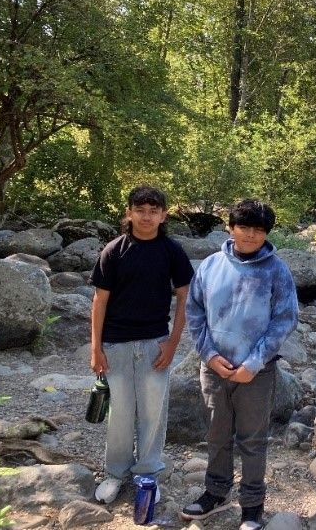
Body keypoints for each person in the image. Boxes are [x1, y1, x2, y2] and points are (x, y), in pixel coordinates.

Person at [182, 199, 298, 530]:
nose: (250, 235)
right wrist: (209, 355)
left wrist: (255, 362)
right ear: (230, 228)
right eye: (243, 227)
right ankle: (215, 492)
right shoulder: (210, 265)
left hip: (256, 372)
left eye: (258, 230)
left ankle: (251, 504)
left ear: (266, 234)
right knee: (217, 434)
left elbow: (285, 319)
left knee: (253, 439)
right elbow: (194, 311)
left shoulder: (277, 270)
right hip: (214, 367)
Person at [90, 185, 194, 504]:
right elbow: (99, 301)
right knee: (120, 411)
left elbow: (184, 297)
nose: (146, 216)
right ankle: (115, 473)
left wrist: (173, 343)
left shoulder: (171, 251)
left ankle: (147, 472)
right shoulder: (114, 250)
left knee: (153, 410)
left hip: (155, 342)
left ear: (163, 215)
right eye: (140, 210)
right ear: (129, 213)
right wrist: (96, 348)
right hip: (116, 343)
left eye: (153, 211)